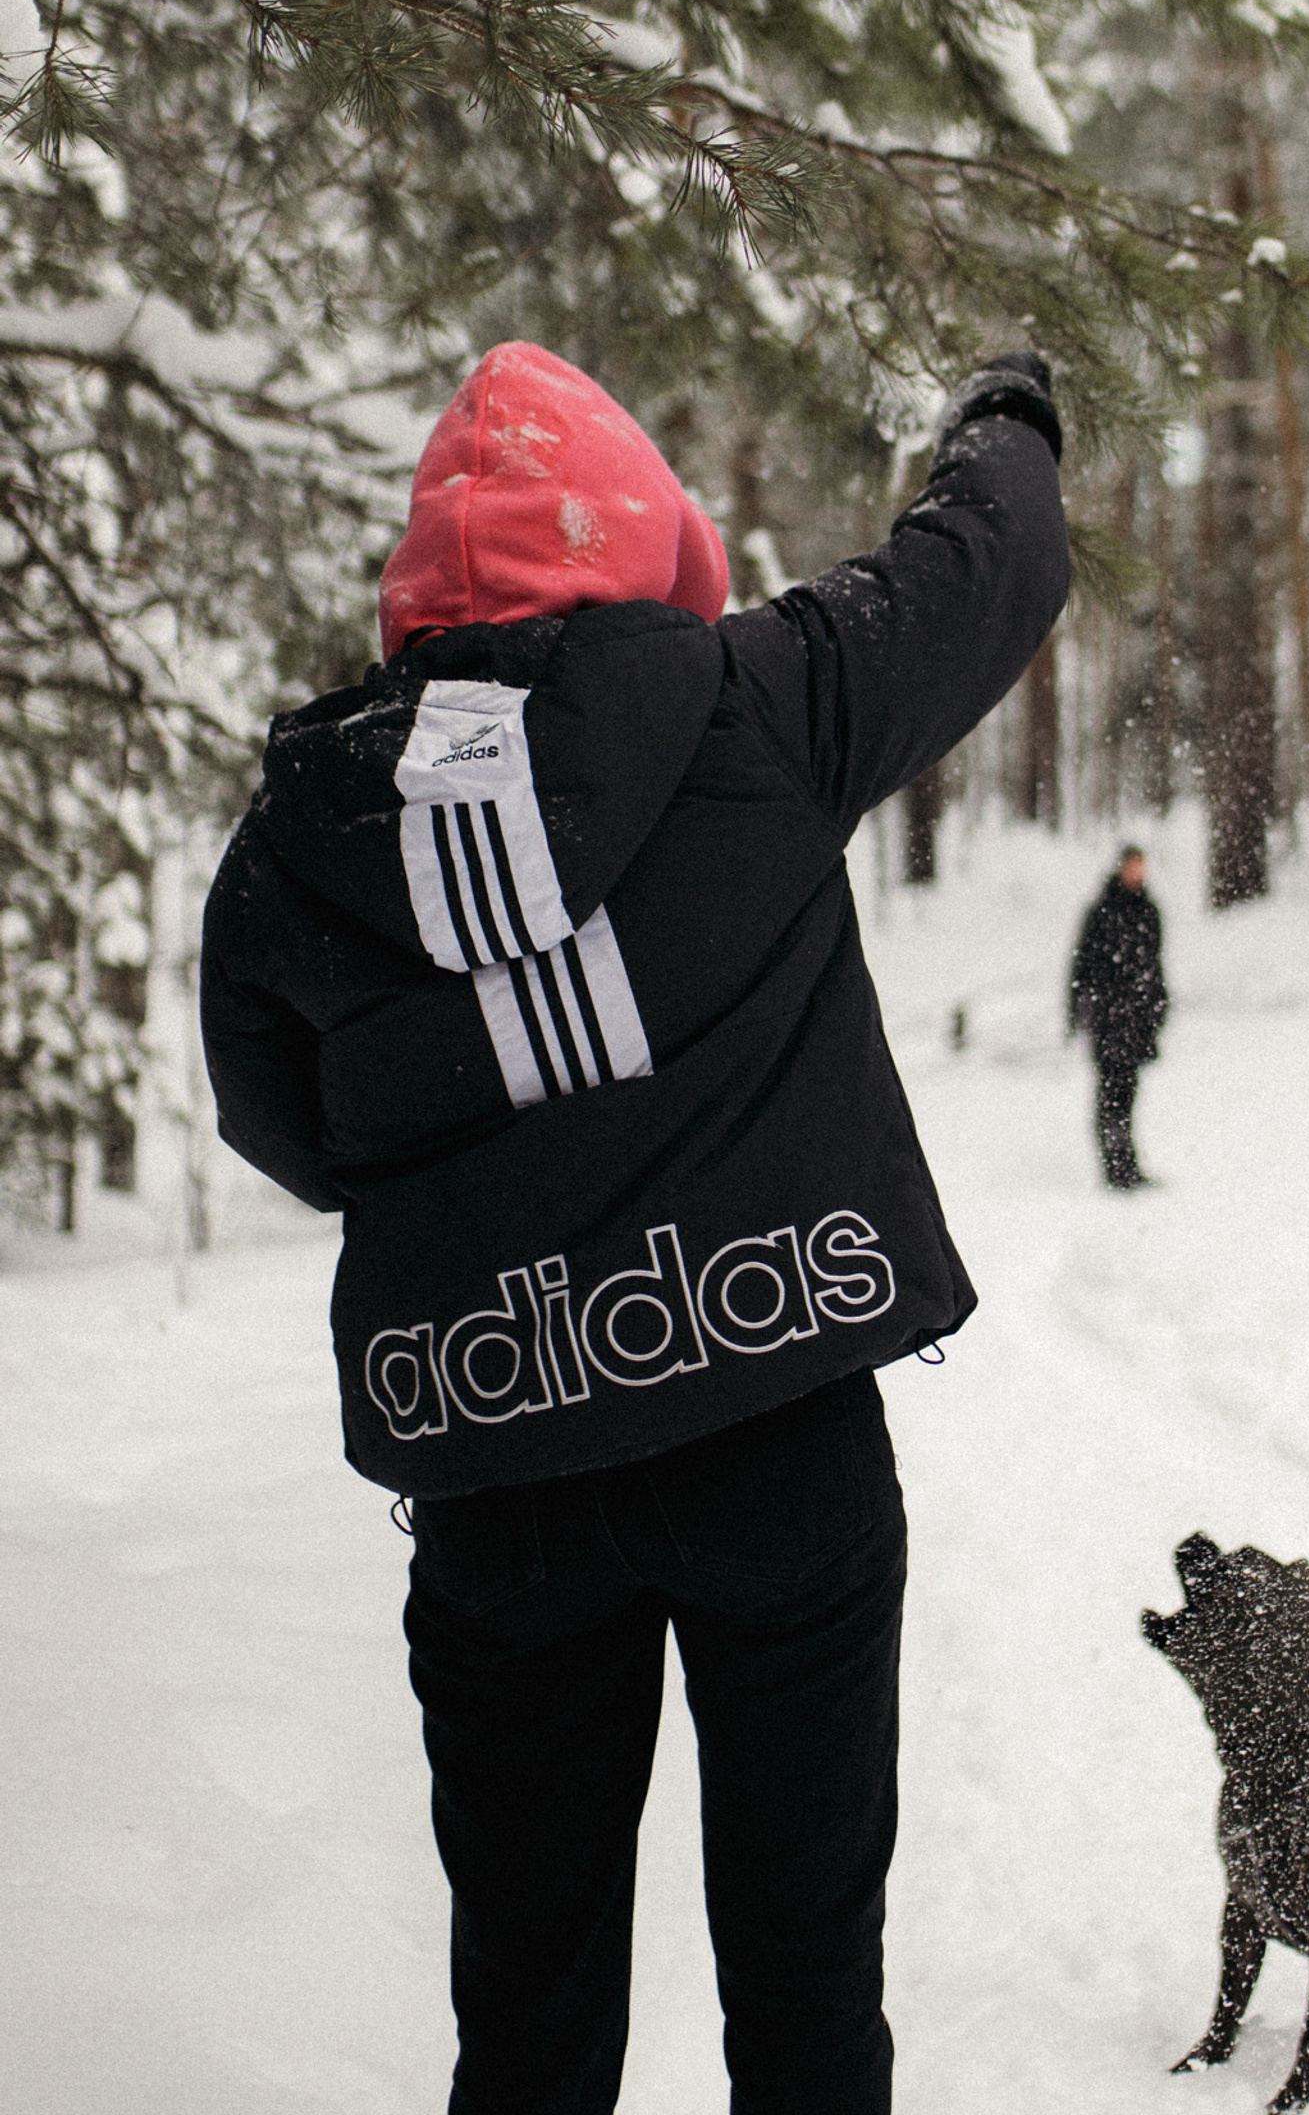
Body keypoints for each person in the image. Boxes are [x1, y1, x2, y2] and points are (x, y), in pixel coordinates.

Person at [198, 339, 1069, 2115]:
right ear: (649, 541)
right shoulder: (760, 700)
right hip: (773, 1429)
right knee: (808, 1992)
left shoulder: (302, 835)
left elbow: (283, 1122)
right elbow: (992, 565)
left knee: (527, 2020)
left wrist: (479, 1177)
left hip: (499, 1465)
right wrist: (1005, 410)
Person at [1067, 844, 1167, 1190]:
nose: (1137, 873)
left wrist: (1158, 1008)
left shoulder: (1148, 912)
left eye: (1141, 866)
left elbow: (1154, 966)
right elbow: (1082, 967)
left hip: (1137, 1020)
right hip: (1109, 1020)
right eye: (1132, 866)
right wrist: (1077, 1011)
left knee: (1127, 1092)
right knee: (1111, 1095)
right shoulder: (1102, 912)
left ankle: (1127, 1164)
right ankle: (1115, 1166)